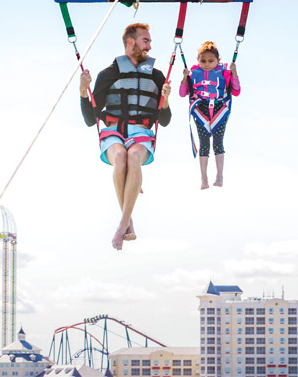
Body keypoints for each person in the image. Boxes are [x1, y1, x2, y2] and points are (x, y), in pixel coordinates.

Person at [80, 23, 171, 251]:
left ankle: (122, 225)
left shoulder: (157, 76)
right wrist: (83, 92)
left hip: (141, 133)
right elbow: (91, 119)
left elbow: (165, 120)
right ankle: (128, 222)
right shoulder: (108, 75)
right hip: (112, 133)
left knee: (132, 157)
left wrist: (166, 100)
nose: (150, 46)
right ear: (131, 42)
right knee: (120, 157)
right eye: (145, 41)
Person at [179, 40, 241, 189]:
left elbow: (236, 91)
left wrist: (234, 73)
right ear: (198, 61)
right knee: (204, 143)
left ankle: (219, 176)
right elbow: (182, 93)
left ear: (218, 61)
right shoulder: (194, 74)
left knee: (218, 142)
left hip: (220, 108)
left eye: (211, 61)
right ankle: (204, 178)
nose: (207, 64)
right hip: (201, 110)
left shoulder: (224, 73)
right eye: (203, 61)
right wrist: (184, 78)